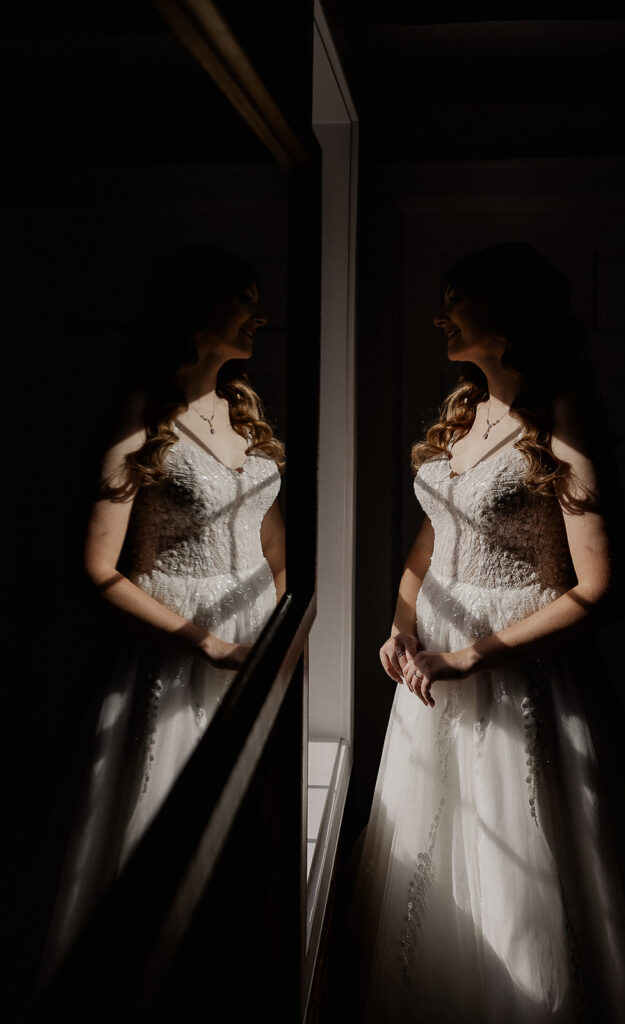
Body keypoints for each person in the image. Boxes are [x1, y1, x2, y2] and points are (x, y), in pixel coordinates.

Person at [351, 243, 625, 1022]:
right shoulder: (468, 410)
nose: (439, 313)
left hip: (514, 666)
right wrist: (400, 622)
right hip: (431, 665)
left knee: (523, 864)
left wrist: (470, 656)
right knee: (431, 859)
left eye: (456, 298)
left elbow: (597, 586)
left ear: (506, 316)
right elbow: (431, 535)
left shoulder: (560, 417)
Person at [39, 243, 285, 981]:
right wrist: (204, 644)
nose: (260, 315)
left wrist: (271, 627)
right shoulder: (143, 413)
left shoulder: (246, 417)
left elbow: (275, 545)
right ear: (198, 309)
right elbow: (97, 567)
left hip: (256, 638)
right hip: (177, 643)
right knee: (162, 830)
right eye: (244, 297)